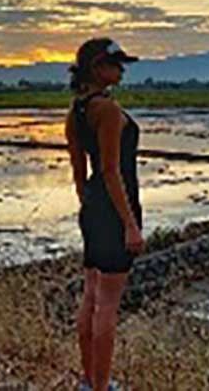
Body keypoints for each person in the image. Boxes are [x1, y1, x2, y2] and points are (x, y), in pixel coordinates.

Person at [65, 37, 146, 391]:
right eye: (116, 64)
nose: (122, 70)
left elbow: (79, 173)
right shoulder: (108, 111)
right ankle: (101, 386)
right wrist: (129, 224)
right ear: (98, 67)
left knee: (92, 296)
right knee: (108, 304)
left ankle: (89, 380)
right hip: (114, 209)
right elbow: (112, 171)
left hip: (94, 207)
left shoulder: (76, 110)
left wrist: (89, 206)